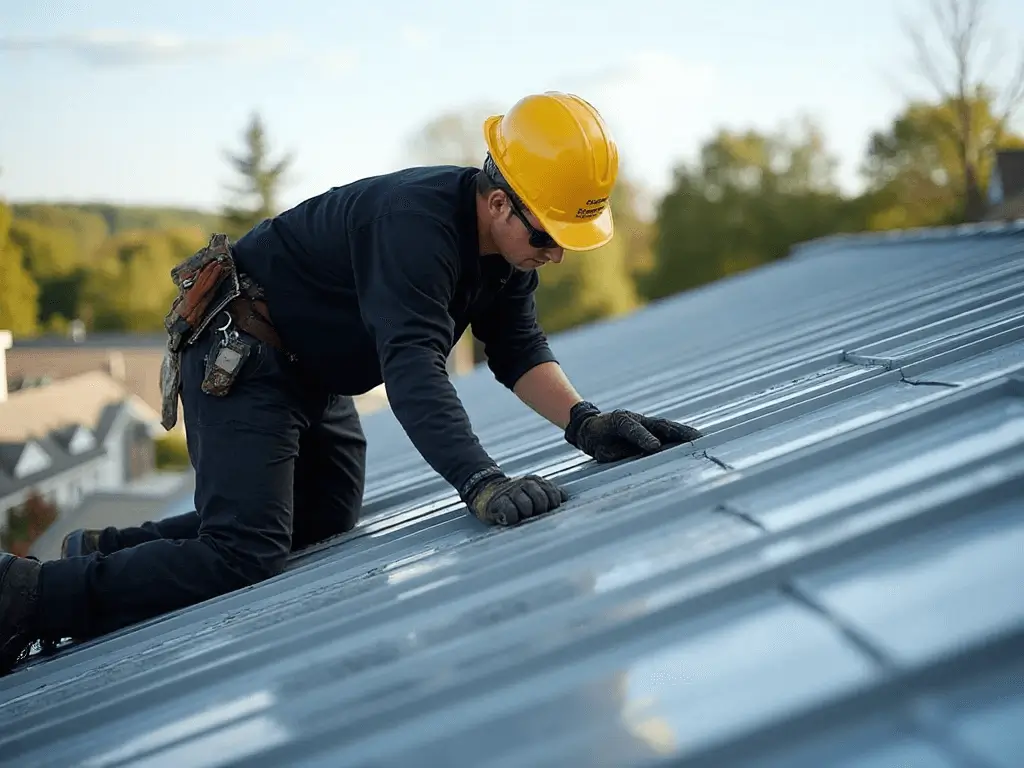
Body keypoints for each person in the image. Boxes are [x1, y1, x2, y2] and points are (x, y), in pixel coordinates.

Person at [0, 91, 703, 676]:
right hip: (243, 351)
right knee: (244, 550)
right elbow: (412, 370)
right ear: (498, 202)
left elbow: (517, 348)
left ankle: (104, 552)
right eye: (547, 236)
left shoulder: (508, 256)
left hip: (311, 368)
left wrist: (585, 423)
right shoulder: (418, 228)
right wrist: (481, 482)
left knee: (323, 517)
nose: (554, 256)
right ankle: (27, 596)